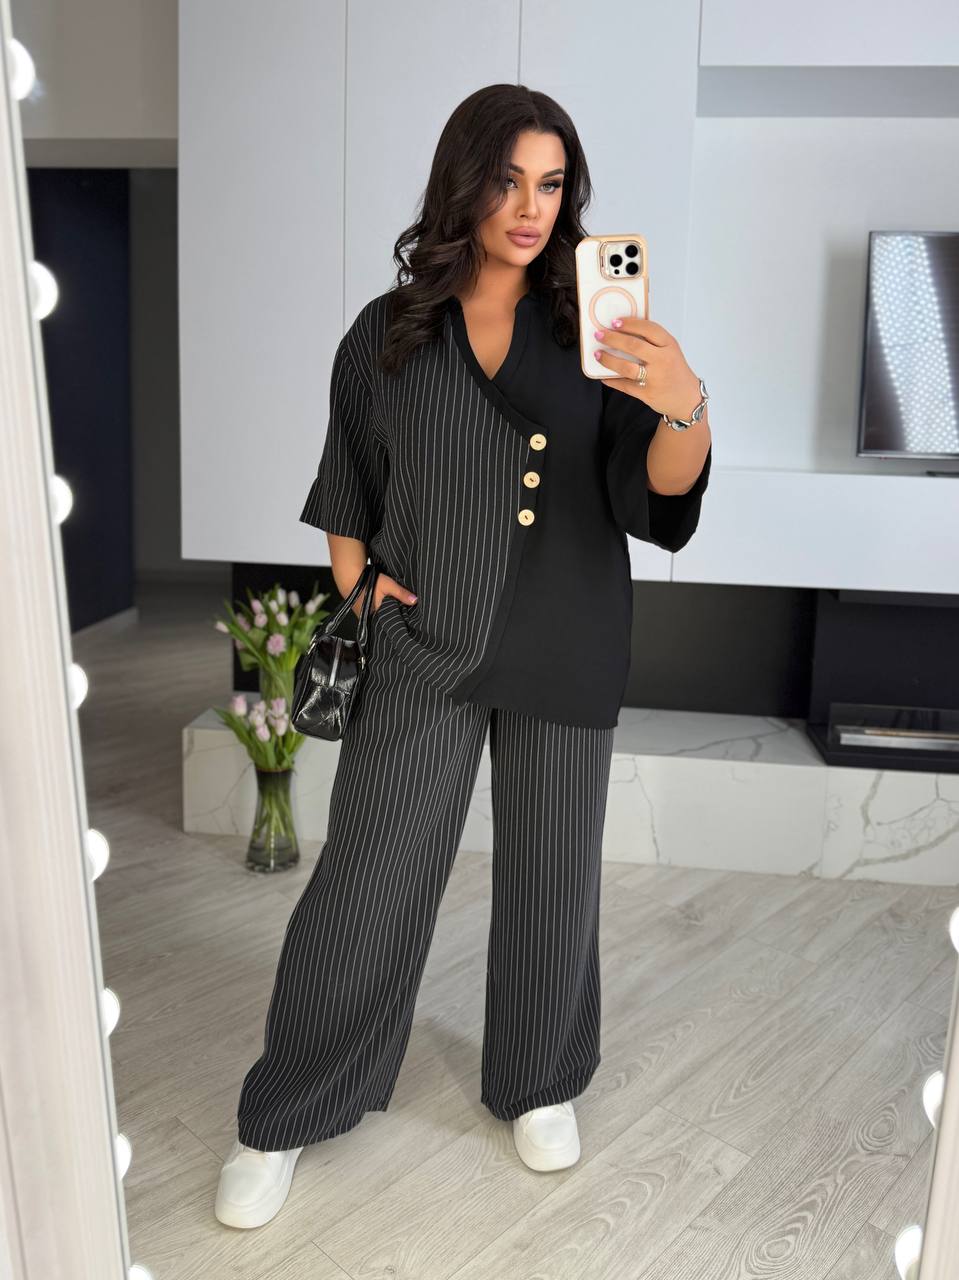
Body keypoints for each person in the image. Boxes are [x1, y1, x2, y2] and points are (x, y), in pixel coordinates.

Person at [215, 82, 711, 1230]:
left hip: (565, 634)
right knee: (365, 879)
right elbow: (347, 480)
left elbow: (655, 500)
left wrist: (682, 404)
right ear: (463, 182)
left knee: (551, 876)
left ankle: (539, 1079)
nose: (529, 207)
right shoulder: (390, 330)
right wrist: (359, 586)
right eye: (505, 180)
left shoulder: (595, 329)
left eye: (550, 184)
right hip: (424, 644)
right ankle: (286, 1107)